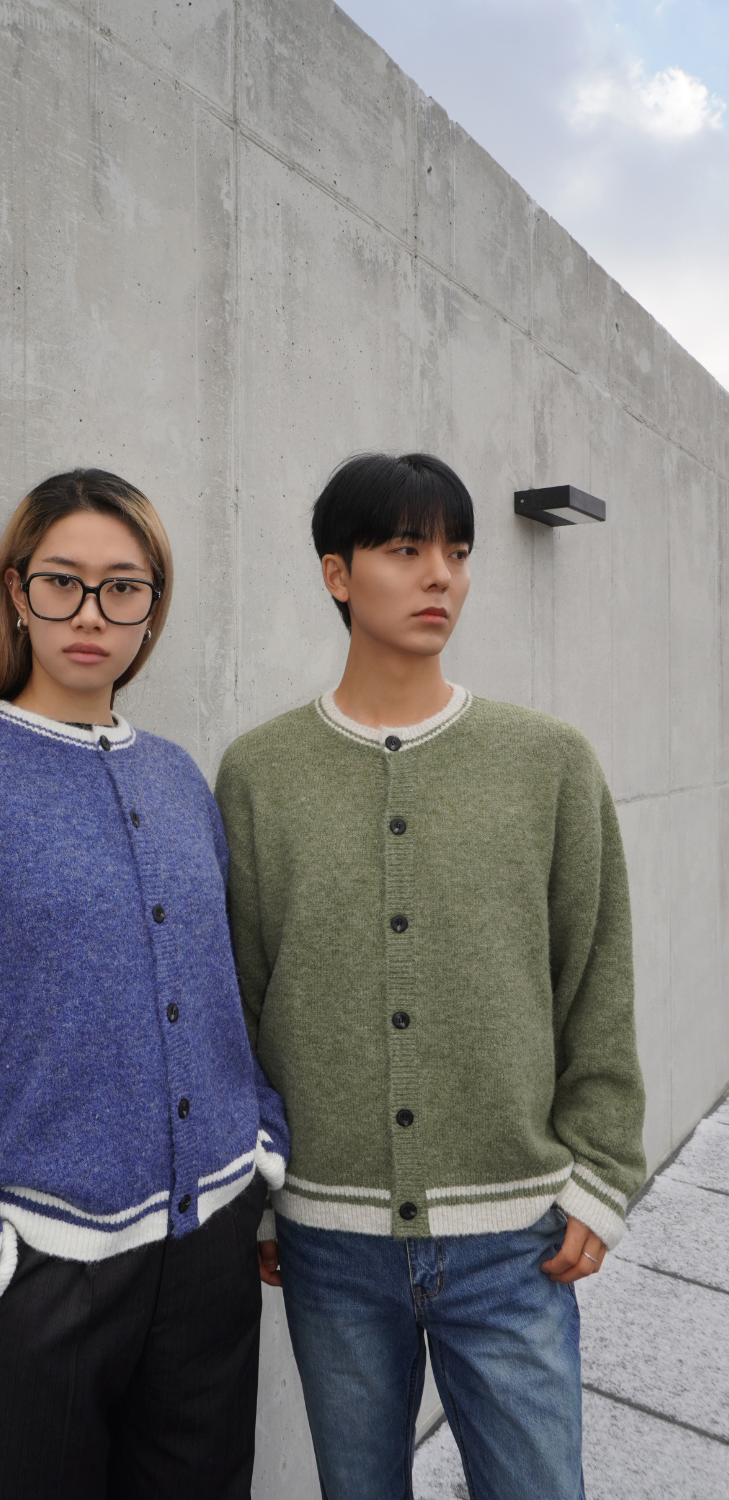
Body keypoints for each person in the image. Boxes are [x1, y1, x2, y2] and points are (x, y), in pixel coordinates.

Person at [0, 469, 289, 1500]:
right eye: (62, 582)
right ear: (16, 592)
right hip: (38, 1274)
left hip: (210, 1255)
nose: (90, 613)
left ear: (152, 609)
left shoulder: (178, 778)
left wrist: (259, 1142)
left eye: (122, 588)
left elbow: (222, 985)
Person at [215, 452, 646, 1500]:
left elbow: (596, 974)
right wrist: (264, 1199)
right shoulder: (259, 773)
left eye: (456, 550)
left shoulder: (548, 762)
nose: (441, 575)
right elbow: (240, 999)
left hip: (513, 1241)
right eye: (406, 549)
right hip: (328, 1244)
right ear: (336, 573)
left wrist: (600, 1170)